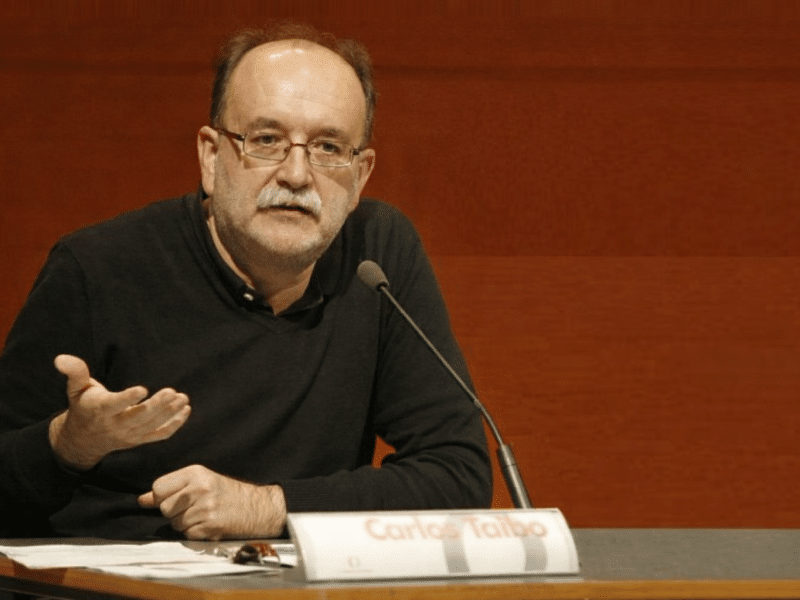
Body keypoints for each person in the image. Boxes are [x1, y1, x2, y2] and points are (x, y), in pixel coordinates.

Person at [0, 22, 492, 540]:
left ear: (360, 176)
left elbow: (458, 475)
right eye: (266, 140)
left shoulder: (378, 257)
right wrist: (69, 445)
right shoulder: (98, 268)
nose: (297, 175)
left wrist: (270, 507)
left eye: (328, 147)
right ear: (211, 157)